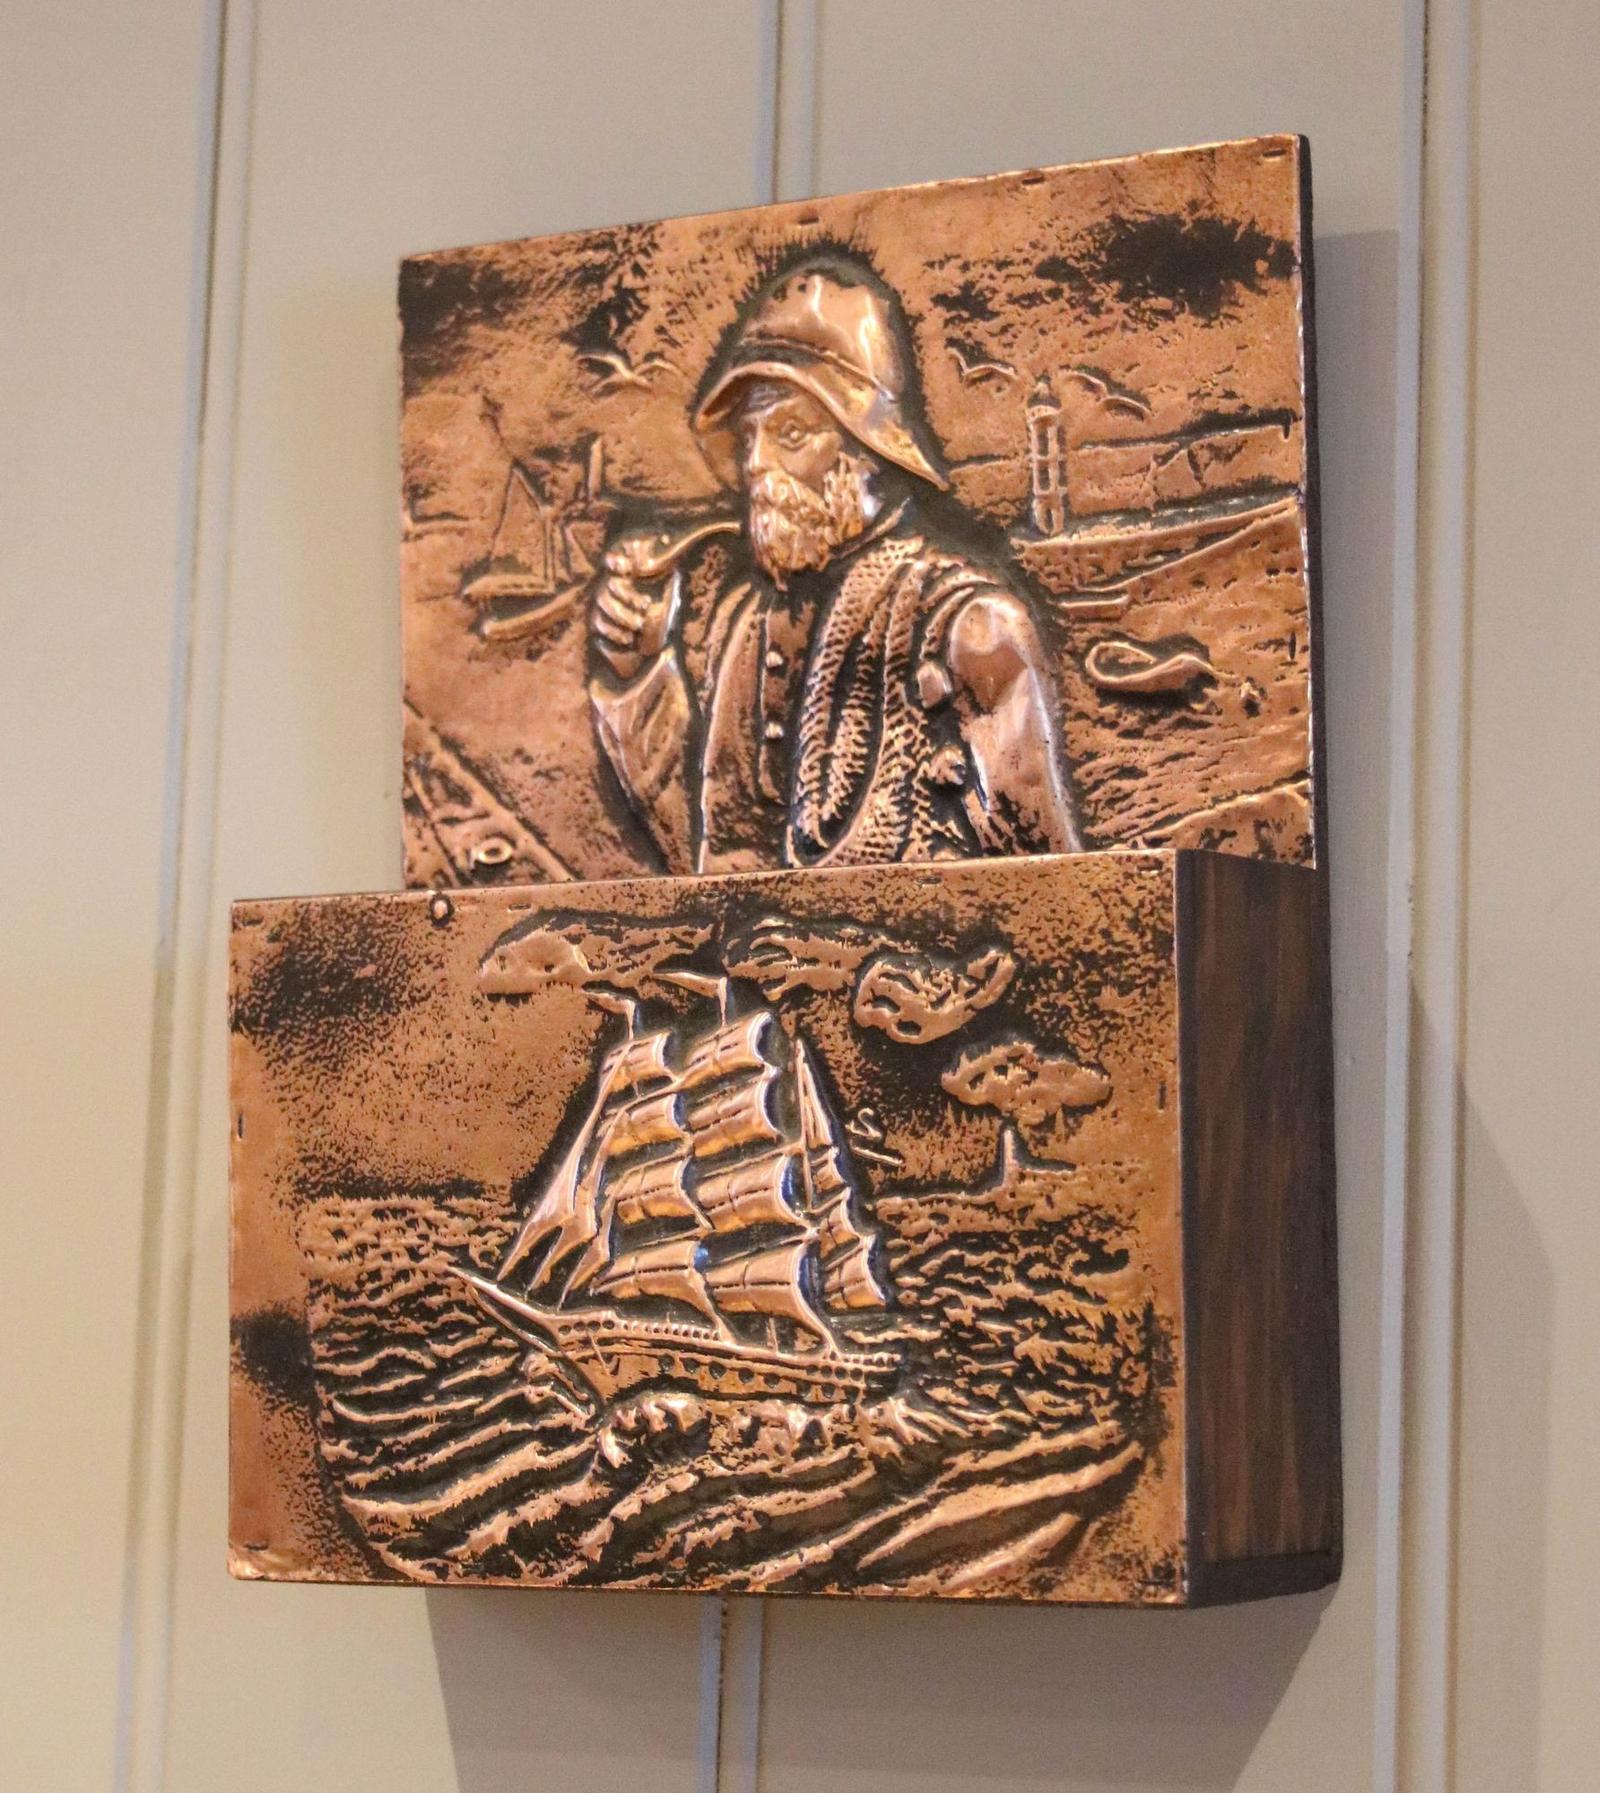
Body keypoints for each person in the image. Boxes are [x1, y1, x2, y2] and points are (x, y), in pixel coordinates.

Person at [587, 256, 1080, 874]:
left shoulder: (969, 630)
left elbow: (1051, 893)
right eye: (749, 437)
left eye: (791, 433)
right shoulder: (742, 625)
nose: (756, 465)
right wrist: (638, 673)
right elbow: (701, 871)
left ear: (868, 451)